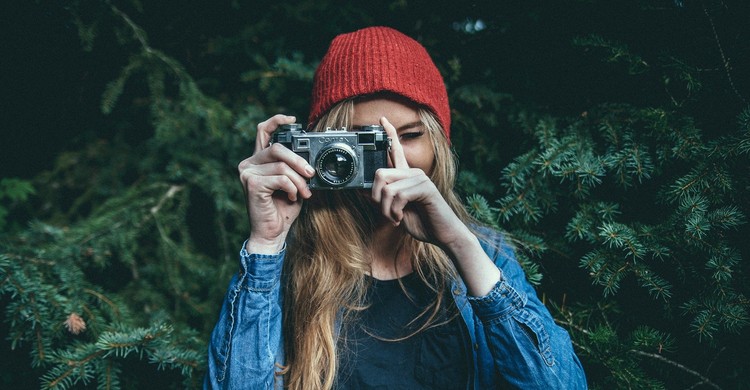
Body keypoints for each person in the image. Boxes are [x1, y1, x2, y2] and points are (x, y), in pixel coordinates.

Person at [205, 26, 587, 389]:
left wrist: (459, 242)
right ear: (322, 151)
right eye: (363, 141)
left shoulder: (485, 256)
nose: (391, 158)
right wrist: (266, 244)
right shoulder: (283, 268)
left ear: (438, 142)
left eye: (409, 135)